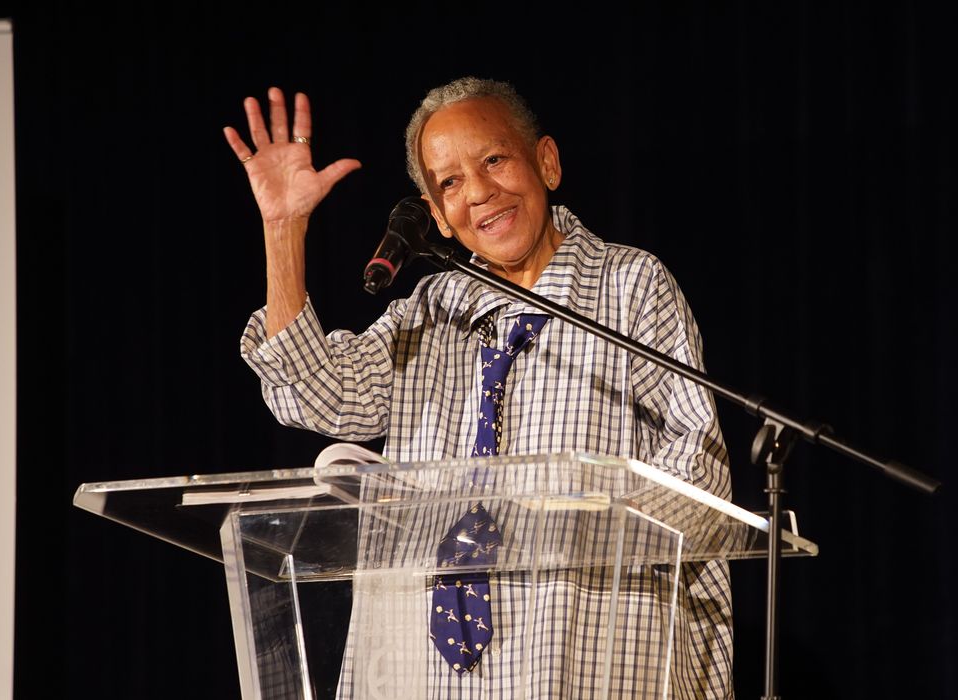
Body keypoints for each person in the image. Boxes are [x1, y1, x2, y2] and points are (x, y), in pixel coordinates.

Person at [227, 77, 734, 698]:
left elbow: (700, 472)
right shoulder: (430, 311)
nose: (481, 192)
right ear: (436, 215)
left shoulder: (632, 286)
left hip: (584, 654)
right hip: (431, 676)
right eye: (450, 183)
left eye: (494, 159)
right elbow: (312, 391)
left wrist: (567, 516)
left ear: (545, 162)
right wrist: (284, 231)